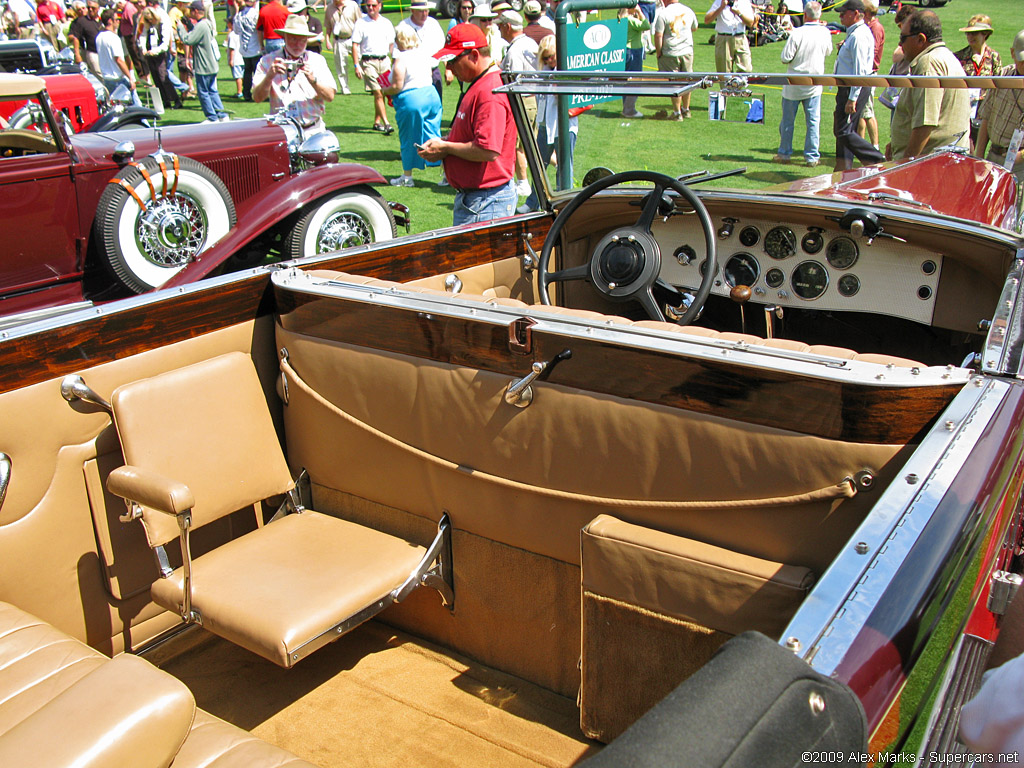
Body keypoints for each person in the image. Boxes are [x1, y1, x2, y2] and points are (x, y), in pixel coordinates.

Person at [418, 24, 517, 226]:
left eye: (453, 60)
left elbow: (487, 149)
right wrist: (446, 144)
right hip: (480, 200)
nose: (450, 68)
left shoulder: (489, 91)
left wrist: (445, 147)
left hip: (486, 202)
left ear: (473, 55)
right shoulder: (481, 84)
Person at [886, 11, 969, 162]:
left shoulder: (928, 63)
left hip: (930, 165)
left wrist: (905, 166)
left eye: (903, 38)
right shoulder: (946, 57)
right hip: (942, 162)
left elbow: (925, 124)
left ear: (920, 39)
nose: (899, 44)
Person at [520, 34, 575, 213]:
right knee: (539, 165)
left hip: (565, 126)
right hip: (545, 124)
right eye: (546, 57)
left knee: (564, 168)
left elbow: (577, 97)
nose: (550, 60)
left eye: (552, 56)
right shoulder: (543, 71)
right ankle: (533, 202)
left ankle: (564, 205)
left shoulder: (567, 70)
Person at [380, 25, 442, 187]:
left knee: (408, 138)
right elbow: (429, 75)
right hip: (432, 95)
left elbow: (397, 86)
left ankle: (407, 177)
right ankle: (446, 175)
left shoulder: (401, 59)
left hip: (413, 99)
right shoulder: (423, 55)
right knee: (434, 135)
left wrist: (384, 89)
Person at [254, 14, 336, 132]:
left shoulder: (317, 60)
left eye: (302, 40)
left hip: (313, 129)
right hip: (282, 131)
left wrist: (313, 80)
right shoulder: (268, 61)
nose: (298, 44)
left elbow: (330, 96)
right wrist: (269, 77)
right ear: (284, 37)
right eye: (293, 39)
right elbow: (257, 97)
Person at [774, 0, 830, 167]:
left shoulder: (797, 33)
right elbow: (828, 51)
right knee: (813, 121)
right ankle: (812, 156)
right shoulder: (825, 33)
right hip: (814, 82)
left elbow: (785, 57)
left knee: (788, 121)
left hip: (794, 83)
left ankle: (784, 153)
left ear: (805, 15)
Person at [831, 0, 883, 171]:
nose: (840, 16)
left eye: (843, 13)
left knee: (844, 131)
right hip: (850, 87)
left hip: (853, 87)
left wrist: (852, 98)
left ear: (854, 14)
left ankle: (875, 159)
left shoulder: (859, 35)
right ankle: (842, 169)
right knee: (843, 131)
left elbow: (860, 71)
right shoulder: (855, 33)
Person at [498, 9, 537, 198]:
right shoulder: (529, 42)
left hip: (521, 99)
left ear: (507, 26)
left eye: (500, 26)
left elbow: (512, 83)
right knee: (527, 142)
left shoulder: (514, 51)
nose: (498, 30)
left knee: (517, 144)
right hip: (533, 98)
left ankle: (523, 183)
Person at [975, 31, 1024, 182]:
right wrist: (979, 157)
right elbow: (986, 117)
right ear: (1012, 53)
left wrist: (1021, 156)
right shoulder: (1003, 76)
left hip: (1020, 165)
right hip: (993, 157)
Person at [954, 15, 1001, 149]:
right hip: (965, 109)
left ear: (985, 34)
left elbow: (998, 85)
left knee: (981, 148)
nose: (970, 37)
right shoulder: (959, 56)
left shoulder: (994, 57)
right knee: (967, 147)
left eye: (974, 33)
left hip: (985, 111)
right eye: (968, 33)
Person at [178, 0, 228, 122]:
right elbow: (197, 35)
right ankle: (222, 115)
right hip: (211, 64)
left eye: (191, 10)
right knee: (212, 91)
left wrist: (180, 27)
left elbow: (188, 39)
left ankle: (211, 117)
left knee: (203, 92)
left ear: (195, 11)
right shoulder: (206, 23)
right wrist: (190, 26)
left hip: (203, 65)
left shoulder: (201, 25)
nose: (189, 12)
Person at [351, 0, 395, 134]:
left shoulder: (386, 23)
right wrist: (356, 65)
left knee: (383, 93)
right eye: (368, 5)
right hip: (368, 61)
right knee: (377, 92)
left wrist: (395, 63)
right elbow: (355, 45)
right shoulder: (361, 23)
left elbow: (392, 44)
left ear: (380, 6)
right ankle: (386, 123)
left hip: (385, 61)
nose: (370, 8)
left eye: (373, 5)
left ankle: (377, 122)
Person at [653, 0, 696, 120]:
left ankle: (677, 113)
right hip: (687, 51)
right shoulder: (688, 10)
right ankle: (686, 109)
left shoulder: (663, 13)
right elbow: (694, 27)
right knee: (687, 80)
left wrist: (658, 52)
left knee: (674, 83)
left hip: (671, 52)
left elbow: (658, 35)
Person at [138, 1, 181, 109]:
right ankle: (165, 100)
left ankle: (176, 100)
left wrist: (156, 51)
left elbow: (165, 42)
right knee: (156, 78)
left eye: (151, 19)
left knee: (163, 77)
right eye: (147, 20)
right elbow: (143, 35)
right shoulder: (149, 24)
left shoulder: (163, 21)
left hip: (160, 53)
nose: (150, 21)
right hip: (150, 53)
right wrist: (143, 48)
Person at [397, 0, 444, 99]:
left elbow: (442, 48)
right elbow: (397, 53)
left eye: (426, 11)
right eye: (421, 11)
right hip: (413, 74)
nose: (424, 14)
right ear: (413, 11)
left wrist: (448, 69)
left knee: (436, 104)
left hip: (433, 70)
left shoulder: (433, 24)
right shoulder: (403, 26)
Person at [97, 8, 142, 105]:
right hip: (117, 79)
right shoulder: (114, 38)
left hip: (106, 78)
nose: (118, 22)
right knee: (136, 105)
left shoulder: (99, 37)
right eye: (116, 19)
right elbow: (119, 60)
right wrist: (130, 78)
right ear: (110, 21)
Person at [856, 0, 883, 151]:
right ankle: (861, 144)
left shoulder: (876, 28)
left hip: (869, 73)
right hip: (866, 73)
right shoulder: (869, 27)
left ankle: (874, 146)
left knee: (867, 112)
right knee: (862, 111)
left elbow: (873, 52)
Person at [704, 0, 754, 74]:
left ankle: (735, 83)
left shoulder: (744, 2)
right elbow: (707, 20)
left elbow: (750, 23)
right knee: (724, 72)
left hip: (740, 38)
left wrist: (738, 13)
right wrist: (721, 8)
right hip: (724, 38)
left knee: (746, 69)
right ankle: (727, 85)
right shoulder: (719, 2)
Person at [324, 0, 358, 94]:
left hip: (353, 38)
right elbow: (328, 27)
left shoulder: (353, 5)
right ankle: (344, 87)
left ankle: (370, 86)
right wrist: (327, 40)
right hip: (338, 40)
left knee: (362, 60)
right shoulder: (329, 8)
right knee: (341, 64)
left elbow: (359, 22)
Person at [620, 4, 649, 118]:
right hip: (634, 51)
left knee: (626, 80)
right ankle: (629, 109)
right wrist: (640, 12)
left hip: (627, 50)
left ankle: (626, 106)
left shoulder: (622, 19)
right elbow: (646, 25)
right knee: (635, 80)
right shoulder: (630, 20)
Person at [69, 0, 102, 75]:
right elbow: (75, 37)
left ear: (98, 8)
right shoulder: (81, 21)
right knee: (99, 74)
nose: (90, 9)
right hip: (92, 52)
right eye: (89, 7)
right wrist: (77, 55)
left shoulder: (102, 19)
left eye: (93, 8)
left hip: (104, 52)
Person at [235, 0, 260, 100]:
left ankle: (246, 94)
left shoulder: (239, 15)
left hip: (245, 48)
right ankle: (258, 93)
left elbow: (236, 31)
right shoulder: (256, 14)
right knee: (257, 72)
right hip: (255, 47)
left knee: (247, 72)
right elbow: (259, 30)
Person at [225, 17, 243, 98]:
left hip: (236, 59)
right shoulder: (241, 32)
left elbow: (232, 48)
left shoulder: (232, 34)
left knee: (237, 77)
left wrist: (231, 60)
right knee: (243, 76)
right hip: (243, 57)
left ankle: (239, 92)